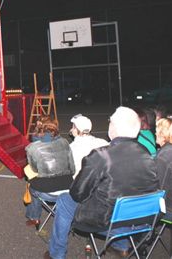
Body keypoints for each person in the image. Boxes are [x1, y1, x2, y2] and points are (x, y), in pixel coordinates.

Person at [45, 107, 159, 259]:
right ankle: (122, 246)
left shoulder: (101, 156)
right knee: (123, 195)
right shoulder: (147, 154)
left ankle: (56, 254)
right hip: (140, 220)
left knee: (65, 200)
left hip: (108, 222)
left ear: (115, 127)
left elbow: (78, 193)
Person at [25, 116, 75, 227]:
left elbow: (34, 169)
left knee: (31, 185)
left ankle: (34, 217)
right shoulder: (65, 142)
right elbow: (72, 169)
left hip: (48, 191)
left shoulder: (32, 147)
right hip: (68, 187)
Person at [69, 114, 108, 178]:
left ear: (76, 130)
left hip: (80, 183)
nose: (71, 129)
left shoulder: (71, 148)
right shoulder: (103, 142)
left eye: (73, 127)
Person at [155, 117, 172, 257]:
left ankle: (140, 247)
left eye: (156, 130)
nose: (154, 133)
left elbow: (159, 189)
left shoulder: (164, 156)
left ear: (163, 134)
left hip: (168, 208)